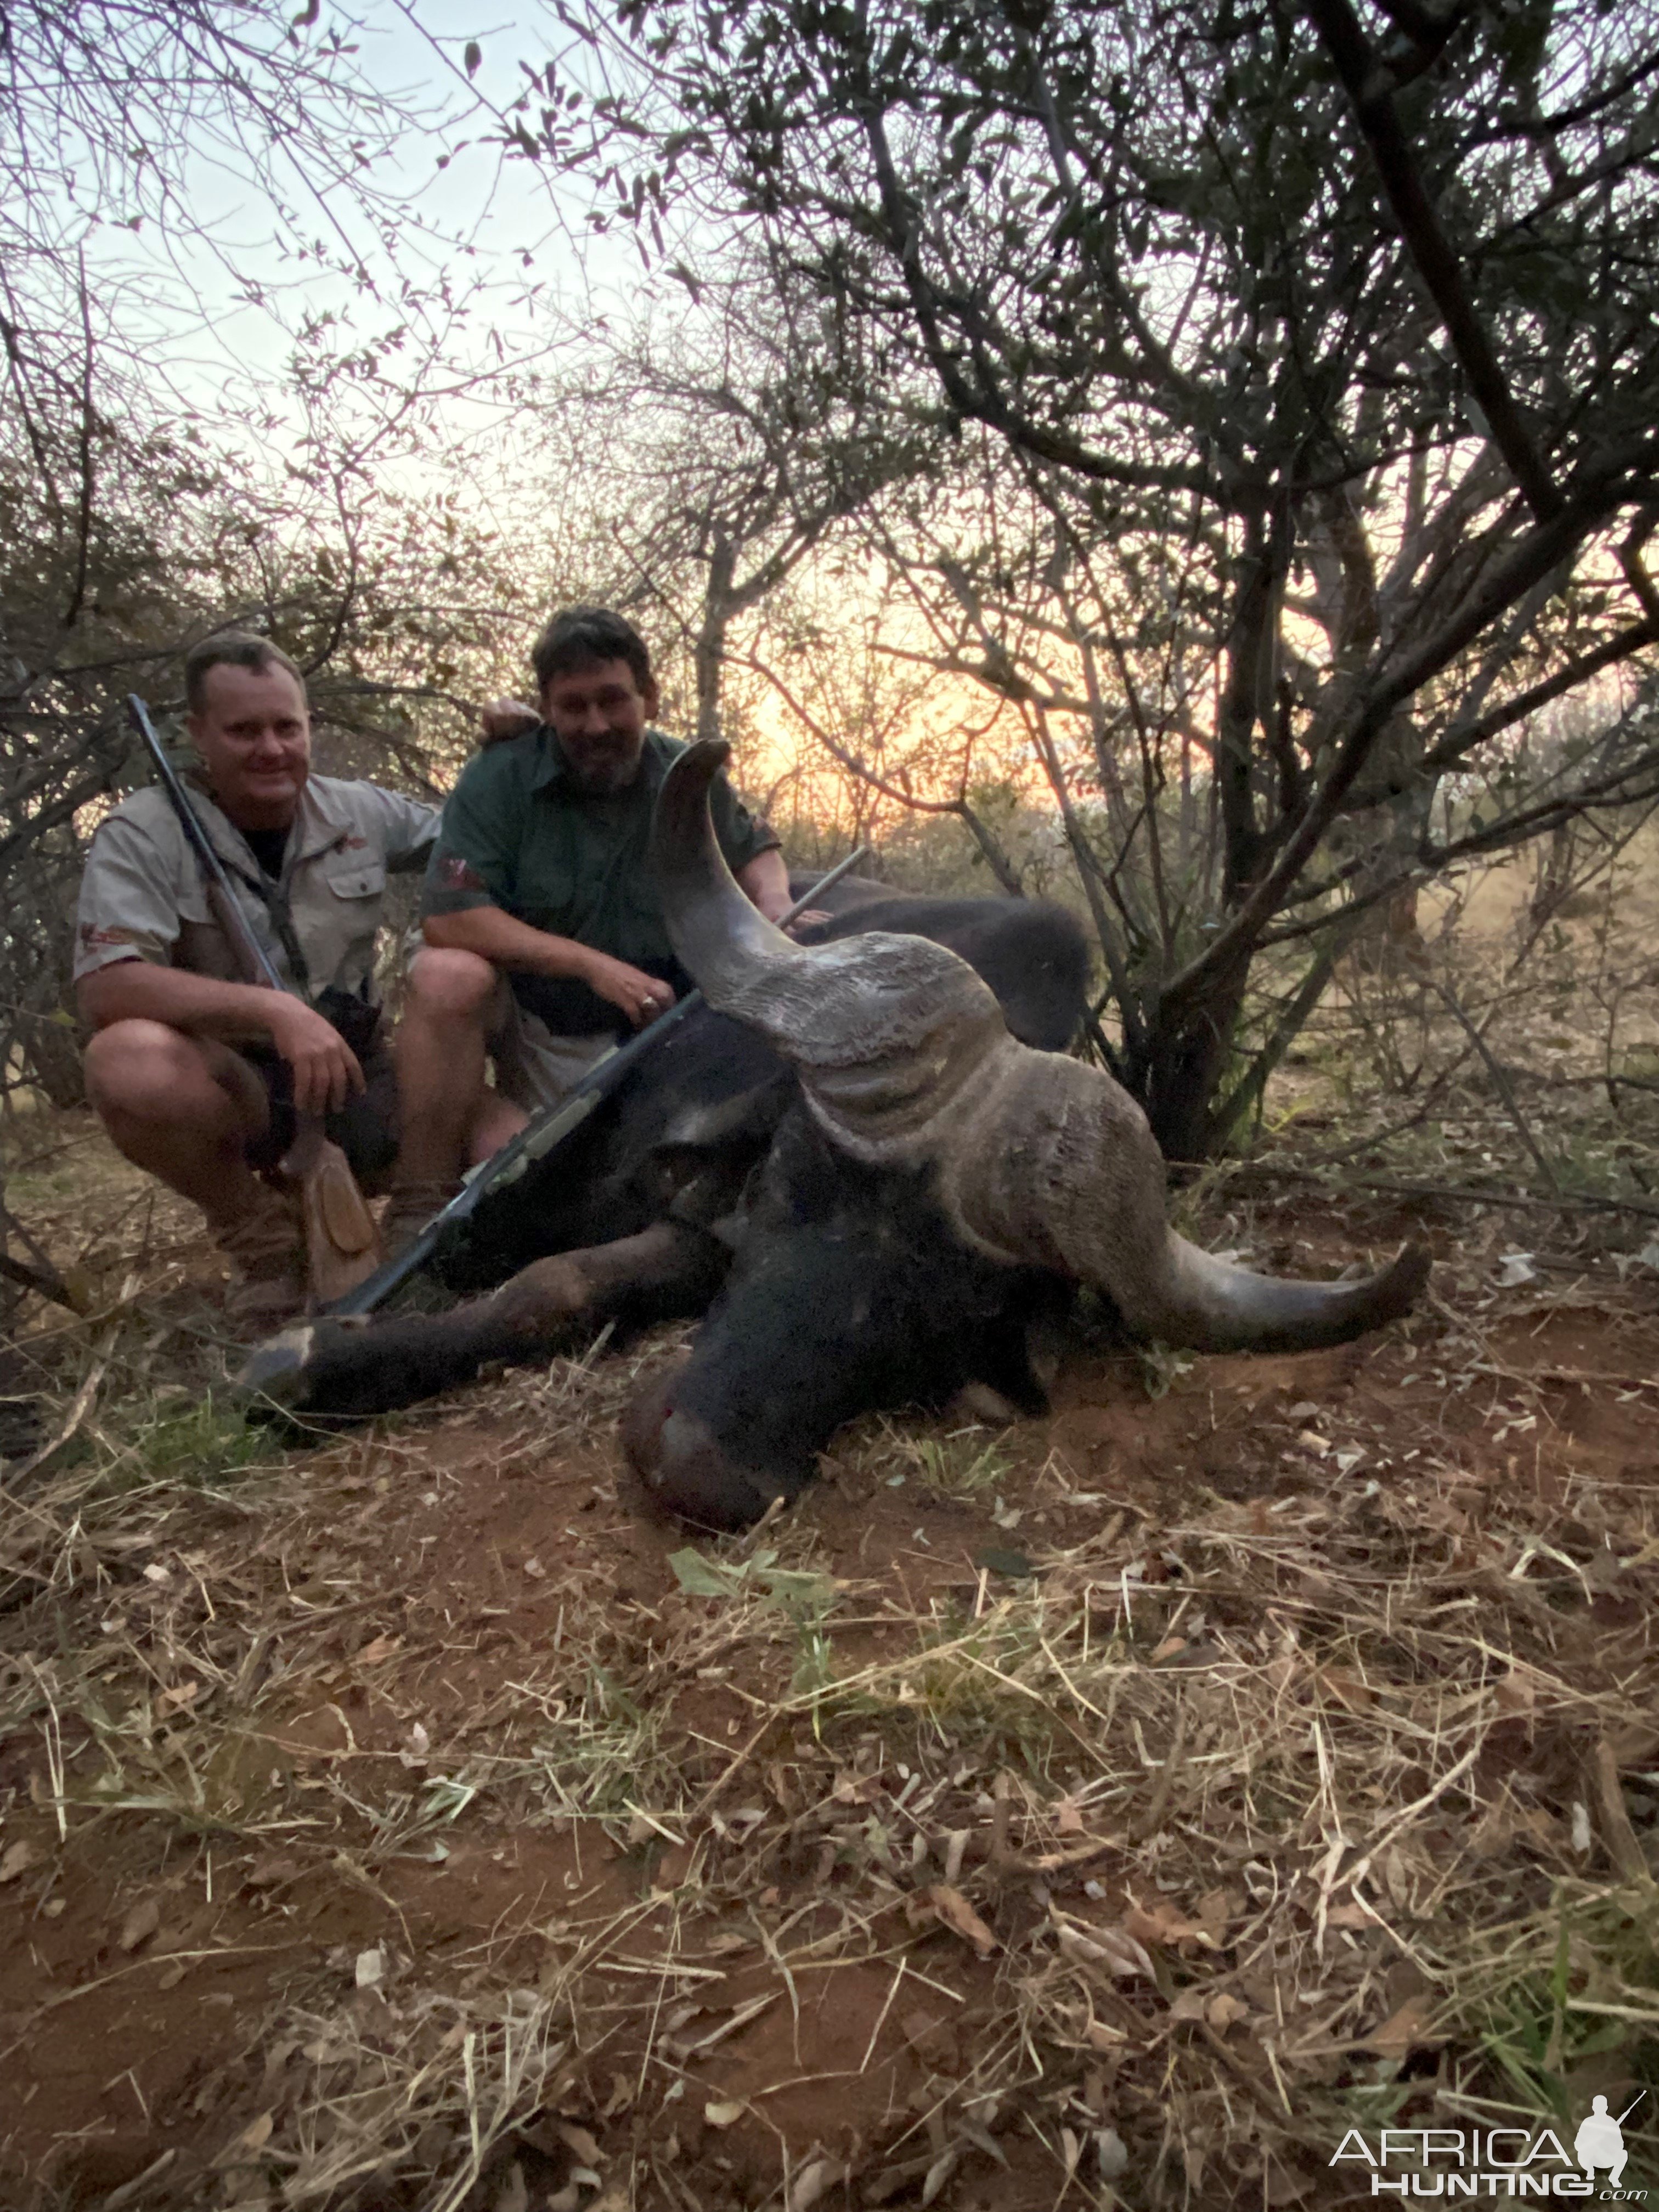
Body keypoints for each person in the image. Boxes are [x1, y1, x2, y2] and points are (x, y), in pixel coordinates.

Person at [385, 606, 792, 1242]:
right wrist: (590, 964)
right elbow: (452, 917)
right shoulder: (500, 775)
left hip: (658, 1029)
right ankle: (418, 1204)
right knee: (446, 976)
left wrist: (777, 911)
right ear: (546, 708)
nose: (596, 725)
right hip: (538, 1020)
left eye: (613, 701)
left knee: (568, 1192)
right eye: (574, 707)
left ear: (650, 698)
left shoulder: (686, 773)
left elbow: (755, 850)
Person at [75, 632, 442, 1324]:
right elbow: (108, 987)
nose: (270, 749)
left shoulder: (361, 810)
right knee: (127, 1064)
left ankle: (417, 1218)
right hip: (242, 1090)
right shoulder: (142, 832)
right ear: (197, 735)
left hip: (362, 1074)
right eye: (243, 731)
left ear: (310, 728)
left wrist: (514, 749)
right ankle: (264, 1244)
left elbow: (473, 840)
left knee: (501, 1147)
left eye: (286, 727)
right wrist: (278, 1012)